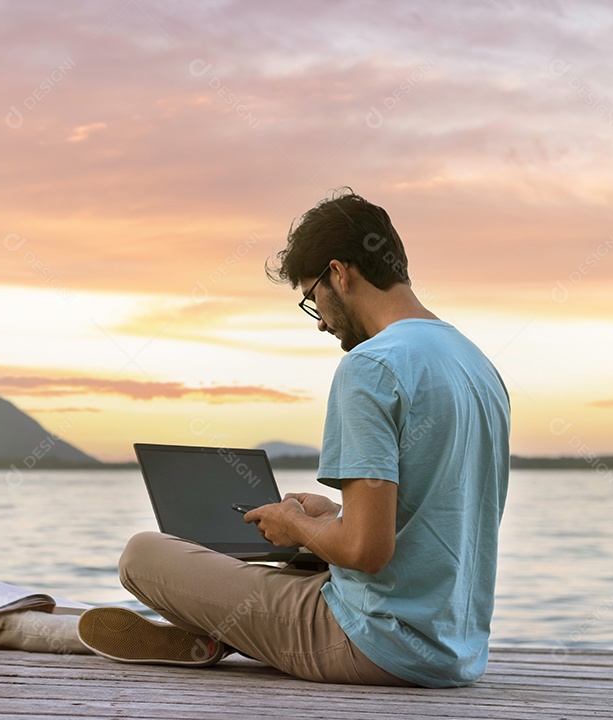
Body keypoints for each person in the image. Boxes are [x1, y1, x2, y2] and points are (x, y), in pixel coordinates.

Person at [76, 188, 511, 688]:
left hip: (374, 642)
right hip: (455, 649)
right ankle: (220, 628)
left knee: (143, 555)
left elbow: (368, 552)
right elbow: (435, 520)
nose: (321, 322)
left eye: (312, 299)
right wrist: (333, 519)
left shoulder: (370, 366)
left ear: (339, 274)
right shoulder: (476, 364)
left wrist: (293, 523)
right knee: (295, 565)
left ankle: (213, 631)